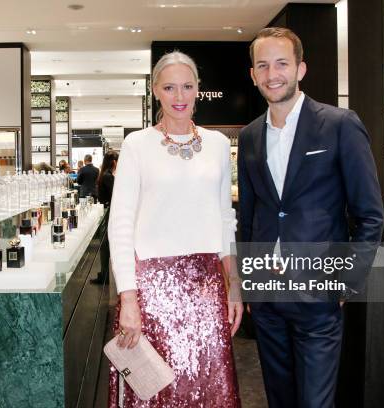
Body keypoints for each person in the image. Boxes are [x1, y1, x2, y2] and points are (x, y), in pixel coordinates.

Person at [238, 27, 384, 408]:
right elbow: (250, 216)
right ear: (253, 74)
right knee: (279, 399)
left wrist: (347, 282)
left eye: (282, 63)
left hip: (319, 295)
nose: (273, 74)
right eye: (263, 65)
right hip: (267, 298)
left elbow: (370, 215)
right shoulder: (251, 136)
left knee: (316, 403)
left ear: (301, 69)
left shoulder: (339, 124)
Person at [108, 51, 243, 407]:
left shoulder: (216, 144)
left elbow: (224, 216)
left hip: (206, 284)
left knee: (207, 386)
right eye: (170, 87)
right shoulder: (137, 145)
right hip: (152, 288)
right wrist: (128, 298)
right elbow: (120, 225)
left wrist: (235, 286)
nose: (179, 97)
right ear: (155, 91)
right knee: (156, 389)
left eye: (187, 86)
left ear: (199, 89)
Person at [90, 150, 119, 285]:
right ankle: (104, 275)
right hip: (109, 212)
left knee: (106, 245)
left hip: (107, 210)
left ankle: (104, 275)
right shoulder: (108, 176)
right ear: (114, 162)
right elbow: (115, 195)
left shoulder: (105, 175)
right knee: (106, 245)